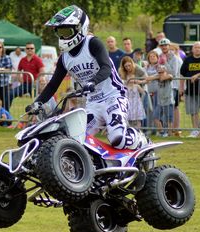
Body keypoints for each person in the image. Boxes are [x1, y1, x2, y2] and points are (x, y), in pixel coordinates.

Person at [28, 5, 147, 150]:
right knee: (75, 140)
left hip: (113, 97)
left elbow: (106, 68)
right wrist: (37, 102)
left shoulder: (92, 43)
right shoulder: (64, 58)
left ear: (79, 28)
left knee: (117, 138)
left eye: (66, 31)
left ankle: (143, 141)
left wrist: (93, 82)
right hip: (93, 103)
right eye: (59, 32)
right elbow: (53, 84)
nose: (63, 37)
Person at [180, 42, 200, 138]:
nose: (197, 49)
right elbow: (182, 74)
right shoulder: (187, 60)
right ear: (192, 49)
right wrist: (181, 87)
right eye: (195, 47)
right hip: (191, 90)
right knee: (193, 111)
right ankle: (195, 129)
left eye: (199, 47)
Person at [157, 38, 179, 136]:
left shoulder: (174, 57)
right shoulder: (160, 56)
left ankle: (170, 131)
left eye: (166, 45)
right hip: (162, 86)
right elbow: (158, 69)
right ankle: (165, 131)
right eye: (162, 45)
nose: (164, 47)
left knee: (169, 108)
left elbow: (173, 72)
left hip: (172, 86)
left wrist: (165, 62)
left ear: (169, 46)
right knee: (163, 108)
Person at [118, 56, 146, 128]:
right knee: (128, 119)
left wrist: (138, 82)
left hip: (136, 103)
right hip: (128, 103)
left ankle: (138, 131)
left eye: (129, 65)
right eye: (126, 66)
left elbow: (146, 79)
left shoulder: (138, 69)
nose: (128, 67)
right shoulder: (121, 72)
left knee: (137, 119)